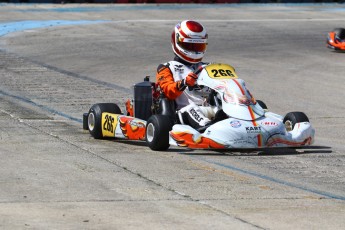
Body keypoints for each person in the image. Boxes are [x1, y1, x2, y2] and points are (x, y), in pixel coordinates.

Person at [155, 20, 217, 130]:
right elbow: (167, 91)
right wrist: (184, 82)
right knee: (192, 109)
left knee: (224, 108)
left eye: (198, 46)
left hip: (208, 108)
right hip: (182, 112)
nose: (195, 50)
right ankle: (206, 128)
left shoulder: (208, 67)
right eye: (190, 45)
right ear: (177, 42)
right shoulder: (167, 67)